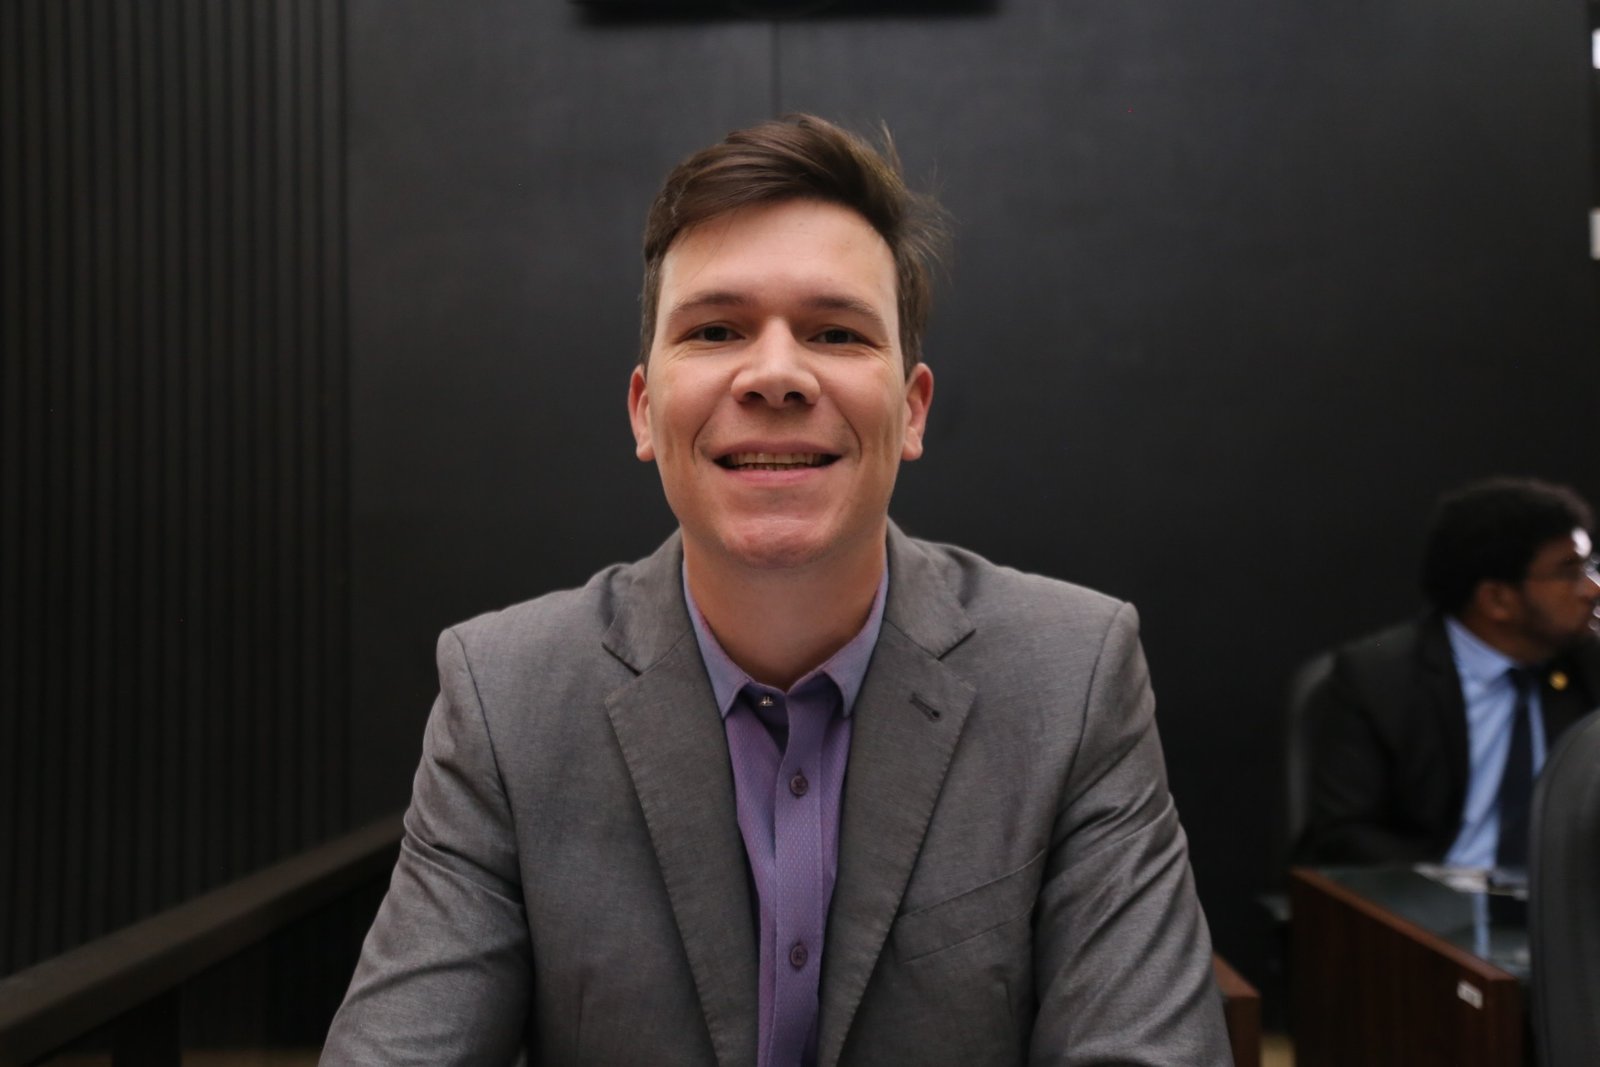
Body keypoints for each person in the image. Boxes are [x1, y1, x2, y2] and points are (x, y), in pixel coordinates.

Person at [323, 114, 1229, 1066]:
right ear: (645, 410)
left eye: (836, 332)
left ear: (911, 410)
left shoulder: (1073, 676)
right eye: (716, 330)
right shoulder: (505, 697)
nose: (777, 375)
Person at [1296, 477, 1600, 867]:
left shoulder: (1588, 664)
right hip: (1428, 893)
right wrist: (1444, 887)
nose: (1591, 588)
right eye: (1569, 572)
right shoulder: (1379, 679)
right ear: (1497, 599)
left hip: (1566, 897)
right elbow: (1345, 836)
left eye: (1589, 565)